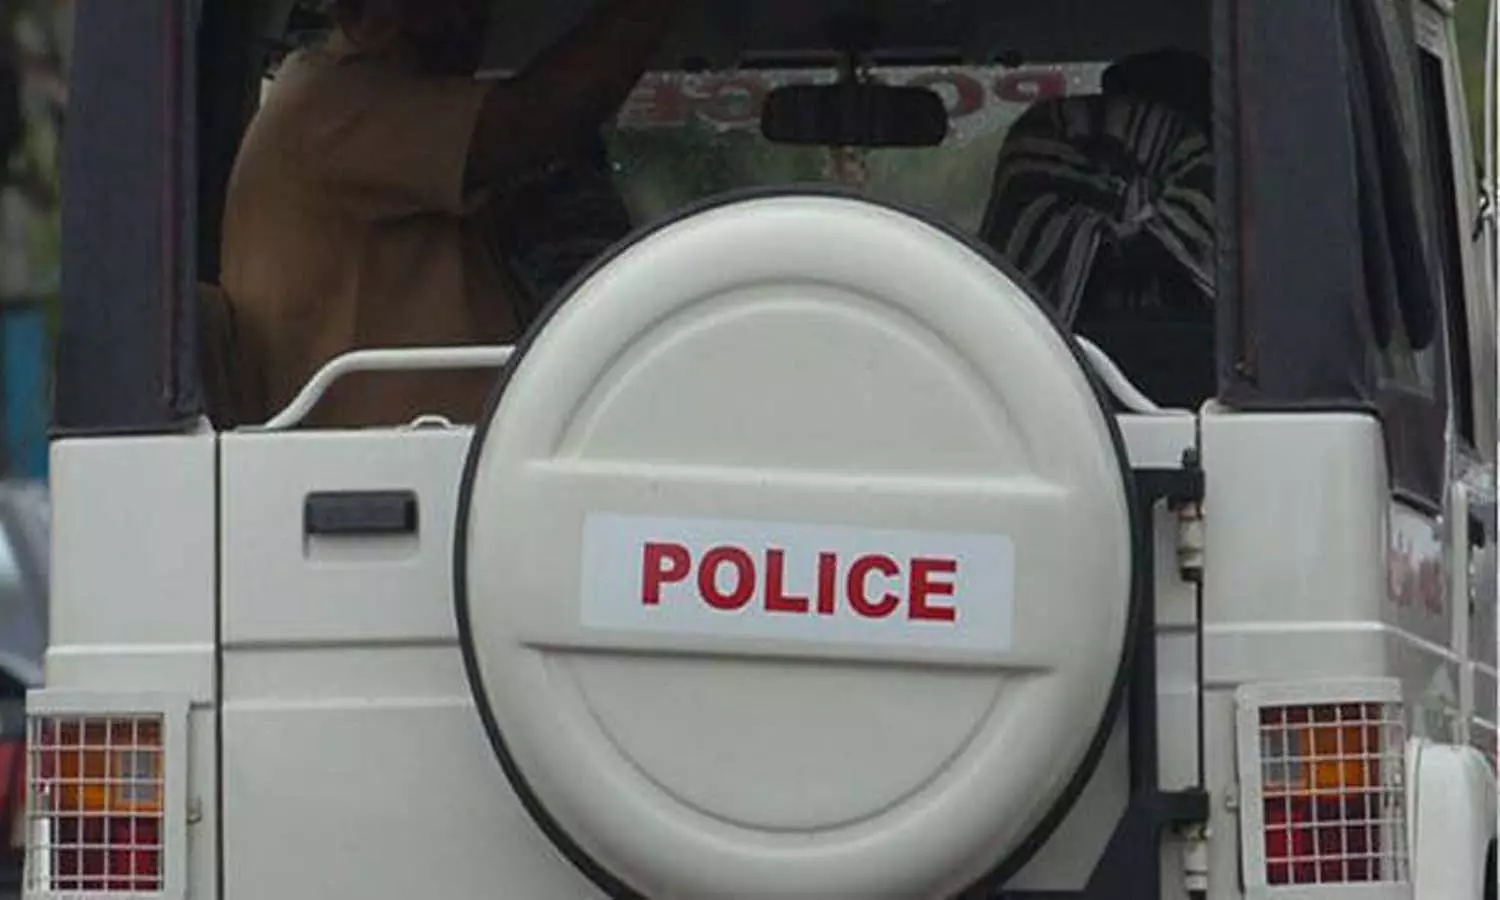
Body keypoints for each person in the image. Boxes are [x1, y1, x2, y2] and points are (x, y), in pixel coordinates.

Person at [220, 0, 681, 428]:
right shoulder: (329, 104)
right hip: (382, 456)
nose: (470, 22)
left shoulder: (397, 131)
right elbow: (532, 121)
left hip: (443, 448)